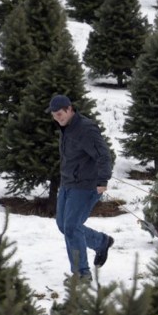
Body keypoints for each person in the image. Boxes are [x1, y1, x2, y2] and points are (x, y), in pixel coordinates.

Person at [47, 94, 114, 280]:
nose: (56, 117)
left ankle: (81, 273)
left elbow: (103, 155)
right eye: (54, 114)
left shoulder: (85, 129)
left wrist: (102, 180)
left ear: (70, 109)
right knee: (63, 225)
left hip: (86, 185)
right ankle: (101, 242)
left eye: (59, 113)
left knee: (71, 226)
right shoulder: (66, 128)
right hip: (68, 183)